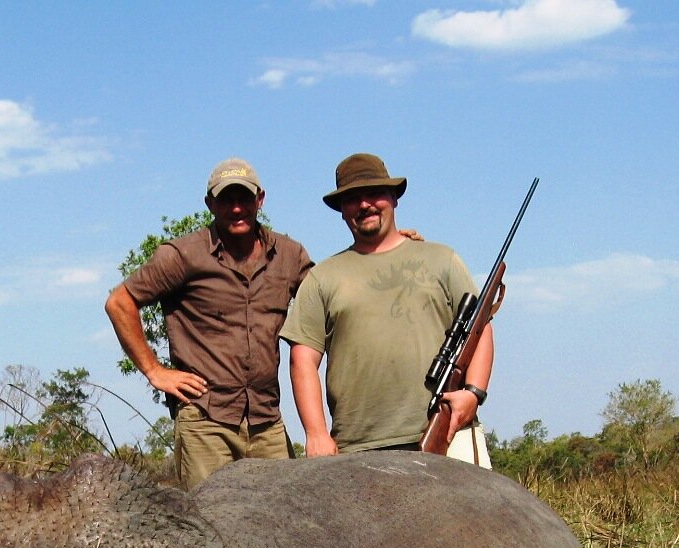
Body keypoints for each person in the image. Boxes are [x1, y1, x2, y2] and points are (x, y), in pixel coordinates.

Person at [105, 158, 313, 488]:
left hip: (266, 420)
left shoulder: (289, 255)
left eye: (244, 198)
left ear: (260, 199)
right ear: (209, 204)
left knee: (283, 523)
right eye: (226, 199)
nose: (236, 208)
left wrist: (383, 247)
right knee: (210, 528)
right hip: (205, 420)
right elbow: (119, 302)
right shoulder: (183, 255)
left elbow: (329, 296)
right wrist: (154, 371)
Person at [281, 153, 495, 465]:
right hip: (358, 448)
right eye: (352, 199)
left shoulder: (442, 259)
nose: (364, 204)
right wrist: (316, 433)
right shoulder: (321, 277)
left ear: (393, 197)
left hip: (449, 431)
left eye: (374, 193)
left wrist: (473, 394)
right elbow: (302, 359)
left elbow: (480, 327)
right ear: (342, 211)